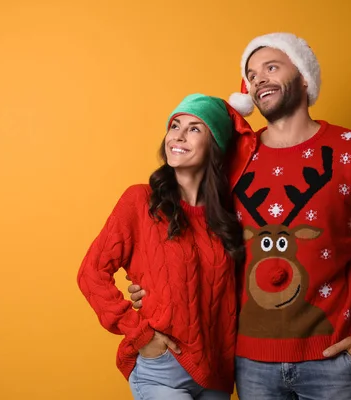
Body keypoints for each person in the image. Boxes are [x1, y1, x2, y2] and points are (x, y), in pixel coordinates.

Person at [128, 32, 351, 400]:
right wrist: (152, 284)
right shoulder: (233, 159)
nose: (259, 78)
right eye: (251, 73)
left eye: (272, 67)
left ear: (305, 77)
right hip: (250, 364)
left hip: (333, 361)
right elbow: (195, 233)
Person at [77, 93, 256, 399]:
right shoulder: (141, 201)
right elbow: (91, 273)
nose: (178, 135)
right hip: (163, 367)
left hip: (217, 375)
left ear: (215, 146)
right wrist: (140, 333)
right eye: (175, 125)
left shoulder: (227, 217)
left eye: (194, 128)